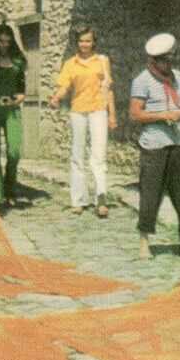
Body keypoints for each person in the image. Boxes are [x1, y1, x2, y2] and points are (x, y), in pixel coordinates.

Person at [129, 33, 180, 260]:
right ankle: (144, 242)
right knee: (151, 195)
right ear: (154, 60)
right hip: (155, 145)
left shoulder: (178, 77)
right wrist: (162, 116)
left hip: (179, 142)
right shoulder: (142, 80)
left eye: (171, 60)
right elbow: (135, 114)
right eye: (164, 61)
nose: (168, 65)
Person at [50, 26, 116, 218]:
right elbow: (64, 87)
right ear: (76, 42)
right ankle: (77, 200)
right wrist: (56, 98)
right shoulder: (70, 63)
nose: (84, 44)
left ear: (93, 42)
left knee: (99, 155)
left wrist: (112, 115)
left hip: (98, 110)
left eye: (88, 40)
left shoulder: (103, 61)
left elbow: (108, 89)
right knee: (77, 155)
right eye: (81, 41)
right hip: (78, 111)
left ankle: (101, 199)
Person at [0, 22, 27, 209]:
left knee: (14, 151)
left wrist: (14, 101)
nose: (4, 45)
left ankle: (10, 187)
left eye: (8, 42)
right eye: (1, 42)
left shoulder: (18, 62)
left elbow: (21, 90)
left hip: (12, 110)